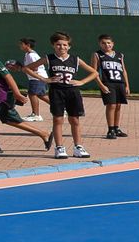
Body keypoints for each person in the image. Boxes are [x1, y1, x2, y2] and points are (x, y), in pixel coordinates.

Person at [41, 31, 98, 159]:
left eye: (65, 45)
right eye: (58, 44)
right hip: (56, 91)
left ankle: (78, 147)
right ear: (53, 45)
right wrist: (45, 79)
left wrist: (82, 82)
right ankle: (59, 147)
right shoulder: (49, 58)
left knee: (74, 120)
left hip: (72, 92)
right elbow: (27, 68)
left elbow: (94, 72)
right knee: (58, 119)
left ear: (69, 46)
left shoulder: (75, 59)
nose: (62, 47)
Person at [93, 34, 131, 139]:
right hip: (108, 83)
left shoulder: (119, 55)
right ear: (100, 44)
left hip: (120, 83)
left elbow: (124, 71)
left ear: (113, 44)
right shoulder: (97, 55)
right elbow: (94, 72)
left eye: (108, 43)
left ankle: (116, 128)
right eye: (103, 43)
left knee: (118, 105)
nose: (106, 45)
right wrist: (101, 85)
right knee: (111, 105)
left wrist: (127, 85)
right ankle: (110, 130)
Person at [12, 37, 48, 121]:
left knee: (32, 94)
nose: (20, 45)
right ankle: (62, 109)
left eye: (21, 44)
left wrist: (21, 68)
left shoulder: (31, 55)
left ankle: (36, 115)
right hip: (39, 77)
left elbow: (35, 68)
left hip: (37, 77)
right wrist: (20, 67)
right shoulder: (28, 54)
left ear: (27, 45)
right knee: (41, 95)